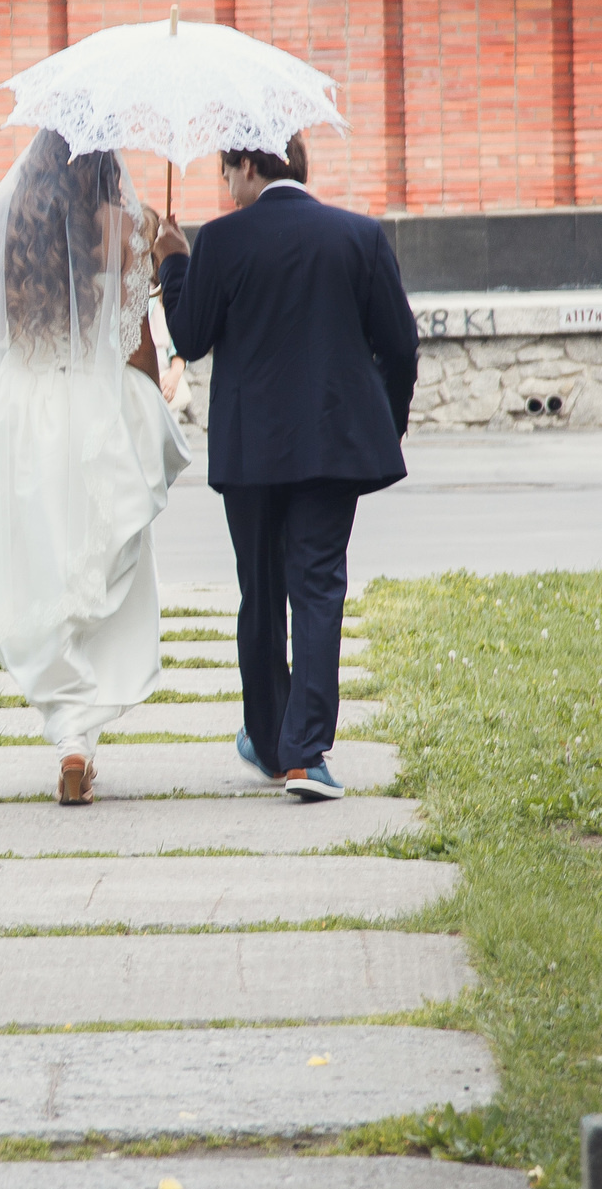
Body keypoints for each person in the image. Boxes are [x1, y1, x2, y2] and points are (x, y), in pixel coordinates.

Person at [0, 132, 191, 805]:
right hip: (92, 408)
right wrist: (155, 395)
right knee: (93, 574)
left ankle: (68, 735)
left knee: (37, 571)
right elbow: (134, 344)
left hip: (18, 408)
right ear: (104, 167)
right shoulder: (121, 224)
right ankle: (80, 734)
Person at [156, 137, 417, 802]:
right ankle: (305, 754)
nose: (225, 188)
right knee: (320, 586)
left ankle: (269, 741)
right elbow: (400, 342)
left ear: (249, 167)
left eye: (225, 173)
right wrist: (386, 421)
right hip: (335, 445)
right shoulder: (358, 236)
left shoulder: (219, 240)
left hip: (250, 451)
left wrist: (176, 263)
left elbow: (190, 339)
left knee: (262, 591)